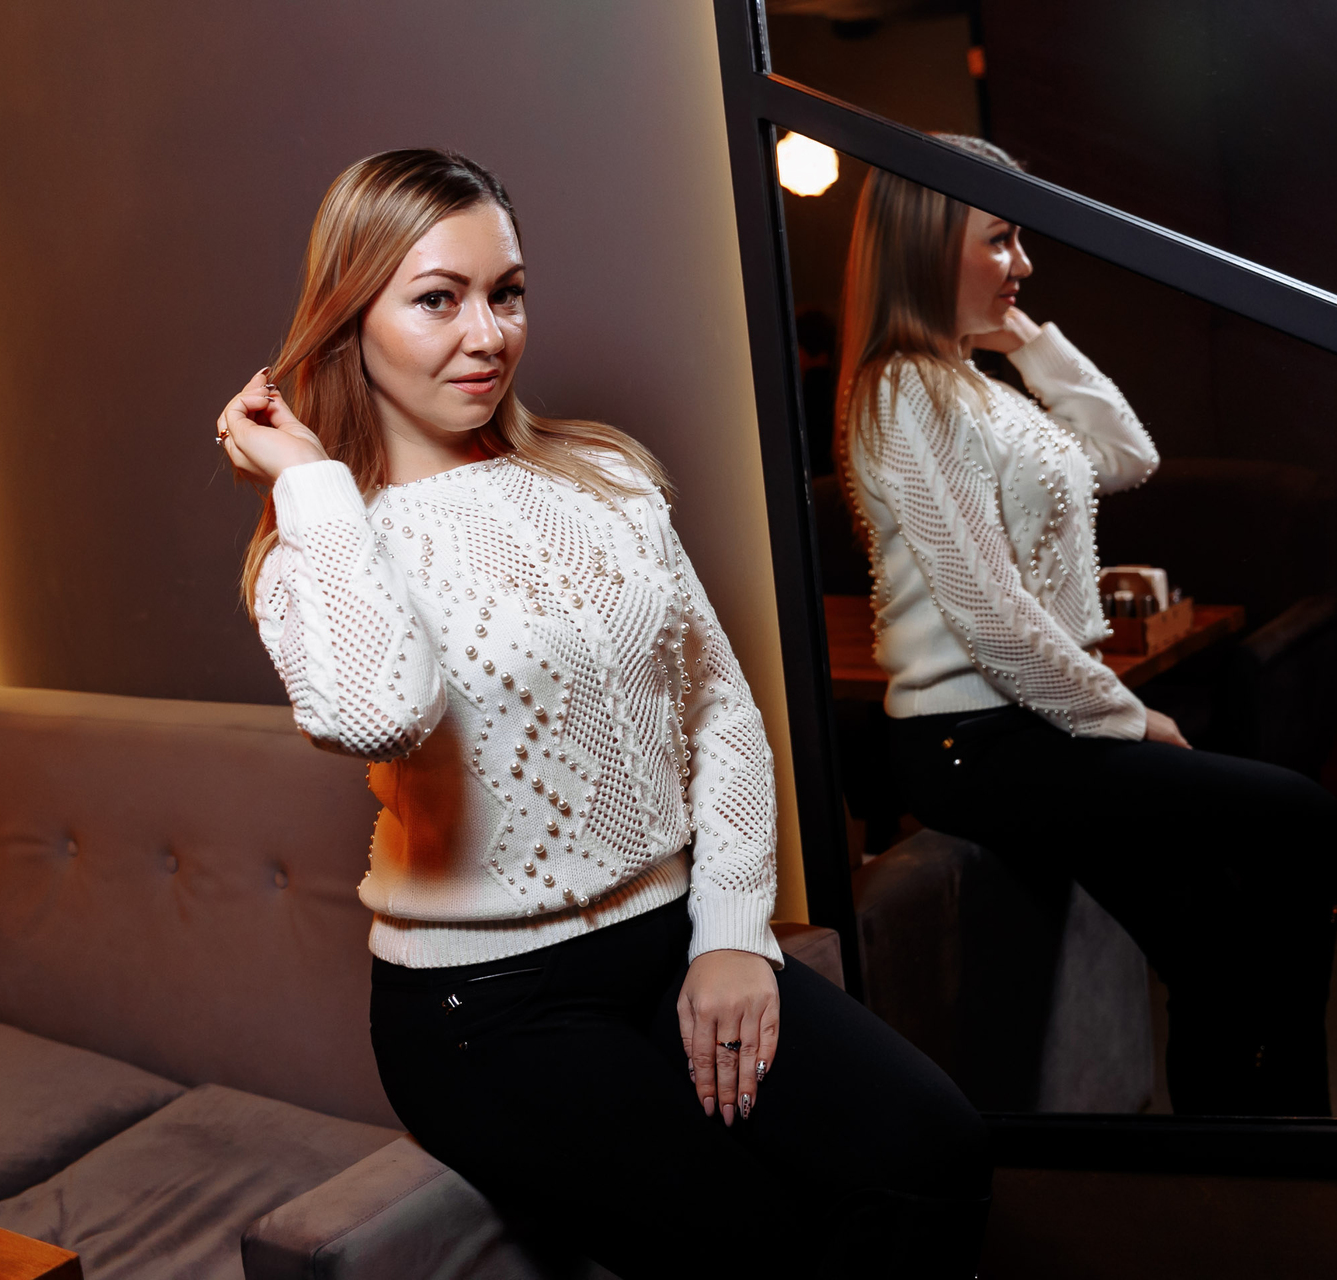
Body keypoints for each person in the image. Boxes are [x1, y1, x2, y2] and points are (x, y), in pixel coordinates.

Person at [217, 149, 989, 1278]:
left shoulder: (605, 475)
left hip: (671, 935)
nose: (487, 335)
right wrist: (310, 481)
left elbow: (720, 706)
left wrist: (732, 933)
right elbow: (382, 713)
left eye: (507, 292)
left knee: (935, 1148)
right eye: (437, 299)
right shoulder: (320, 549)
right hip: (484, 1011)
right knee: (761, 1244)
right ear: (351, 319)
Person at [836, 137, 1337, 1117]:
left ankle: (1262, 1134)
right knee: (1304, 818)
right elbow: (989, 614)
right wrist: (1127, 716)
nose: (1023, 263)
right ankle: (1295, 1118)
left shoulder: (977, 387)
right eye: (1000, 238)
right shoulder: (904, 392)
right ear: (928, 245)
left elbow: (1127, 454)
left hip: (1033, 726)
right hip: (975, 739)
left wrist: (1029, 341)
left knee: (1213, 947)